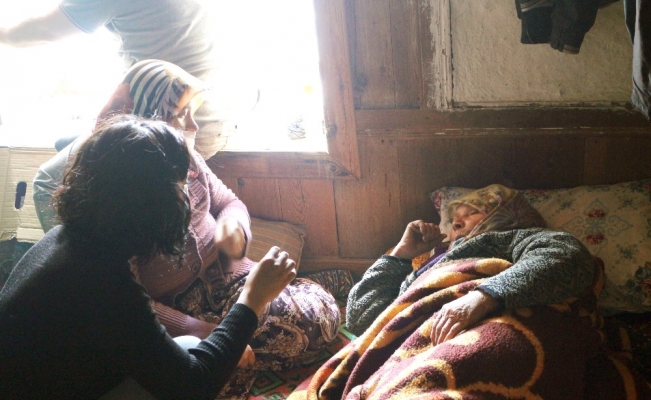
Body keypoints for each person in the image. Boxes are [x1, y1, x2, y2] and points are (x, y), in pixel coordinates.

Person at [32, 59, 346, 395]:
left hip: (224, 288)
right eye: (181, 113)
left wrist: (232, 230)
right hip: (173, 317)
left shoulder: (170, 158)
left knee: (313, 318)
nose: (192, 124)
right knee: (234, 358)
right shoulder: (112, 234)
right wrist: (215, 324)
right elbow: (145, 327)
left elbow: (227, 201)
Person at [0, 114, 297, 399]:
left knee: (188, 347)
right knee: (196, 356)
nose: (186, 198)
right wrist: (252, 298)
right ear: (154, 204)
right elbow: (194, 387)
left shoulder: (73, 241)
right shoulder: (101, 281)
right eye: (181, 187)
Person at [0, 0, 258, 159]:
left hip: (183, 127)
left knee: (49, 177)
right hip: (222, 115)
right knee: (71, 140)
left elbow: (43, 29)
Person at [346, 184, 596, 339]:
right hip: (415, 347)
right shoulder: (427, 267)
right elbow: (362, 320)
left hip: (493, 330)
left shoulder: (517, 237)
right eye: (454, 218)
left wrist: (483, 298)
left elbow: (568, 256)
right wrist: (400, 255)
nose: (455, 222)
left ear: (505, 215)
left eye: (472, 212)